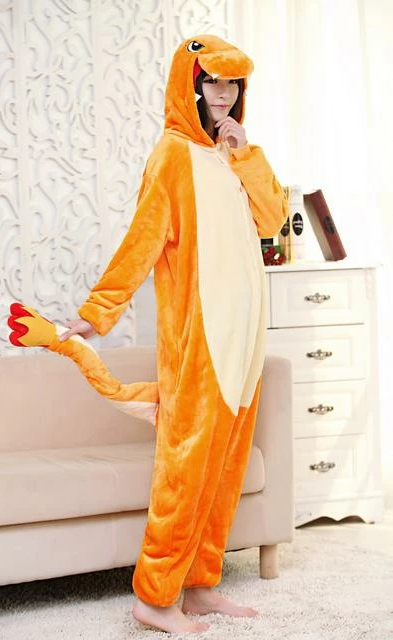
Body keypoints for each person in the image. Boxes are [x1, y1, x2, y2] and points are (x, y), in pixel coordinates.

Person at [59, 34, 289, 634]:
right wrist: (98, 310)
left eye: (233, 82)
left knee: (224, 467)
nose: (224, 93)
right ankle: (155, 598)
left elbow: (273, 222)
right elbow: (142, 240)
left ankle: (200, 584)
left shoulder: (231, 153)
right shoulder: (172, 155)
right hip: (201, 339)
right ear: (191, 84)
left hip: (243, 340)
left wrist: (246, 153)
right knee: (185, 470)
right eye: (213, 80)